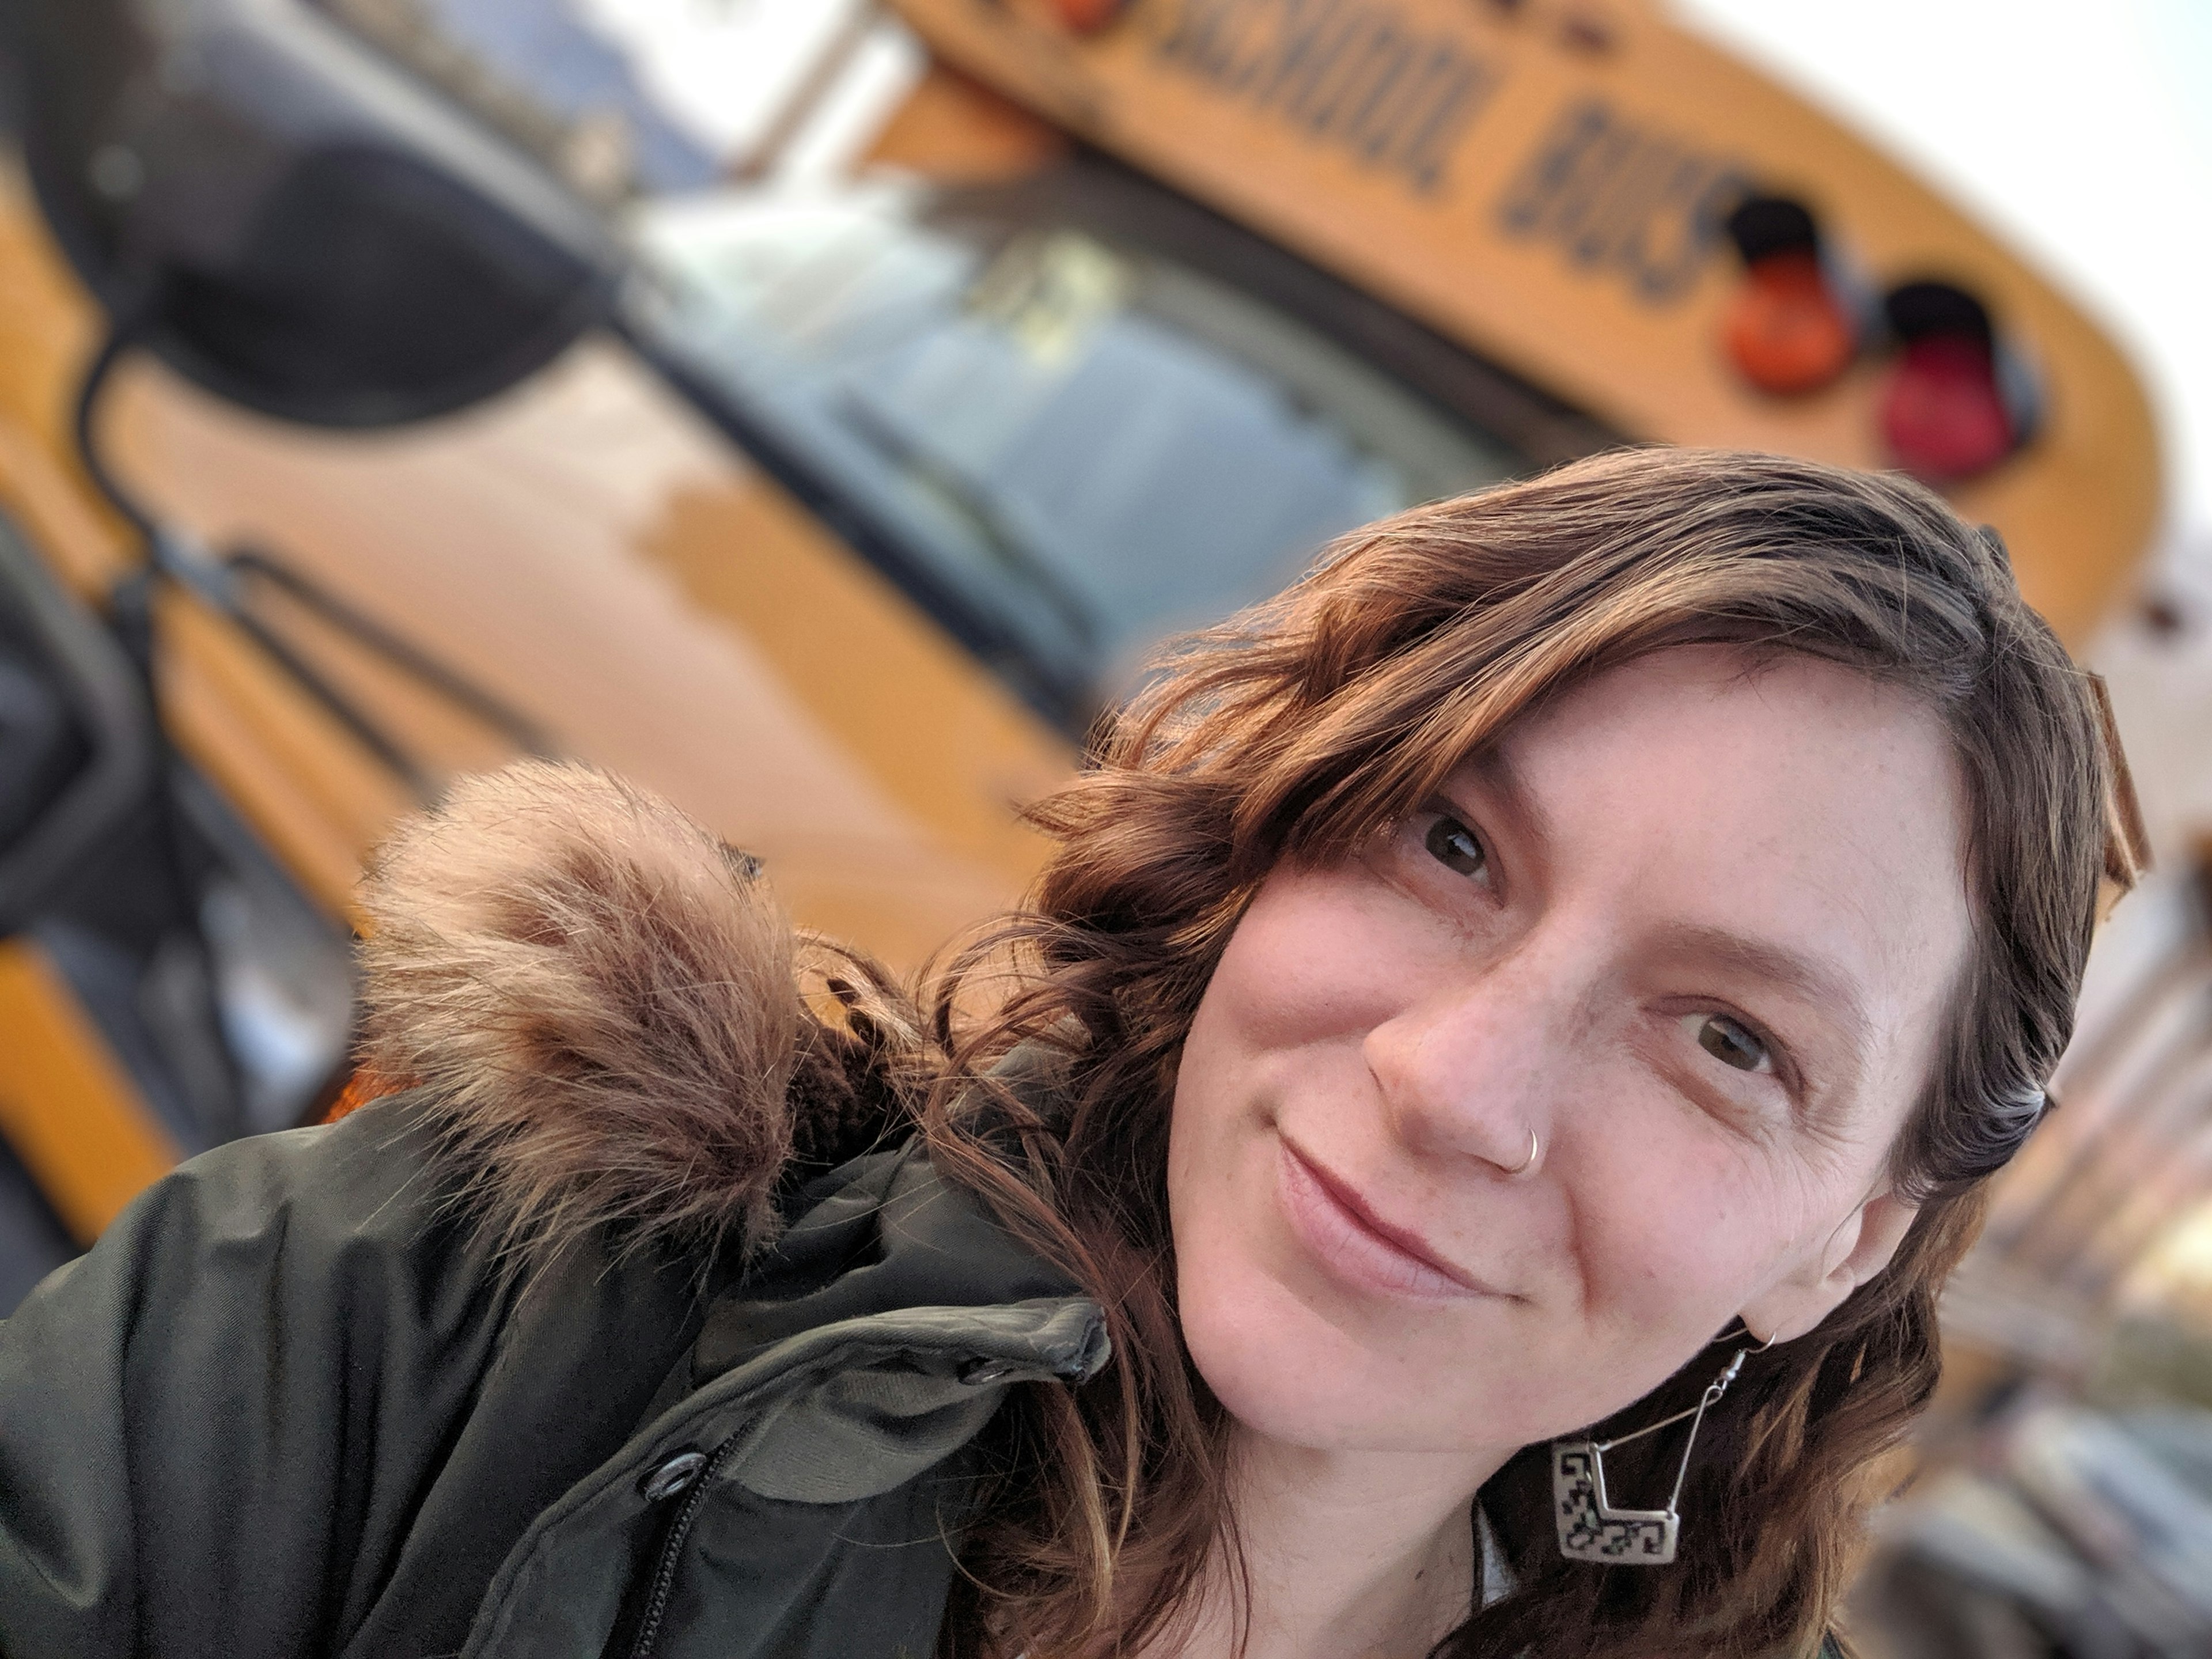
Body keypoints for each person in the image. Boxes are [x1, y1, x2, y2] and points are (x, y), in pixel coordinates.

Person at [0, 448, 2141, 1659]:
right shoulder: (454, 1312)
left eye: (1729, 1040)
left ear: (1842, 1245)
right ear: (1283, 827)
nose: (1454, 1082)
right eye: (1454, 839)